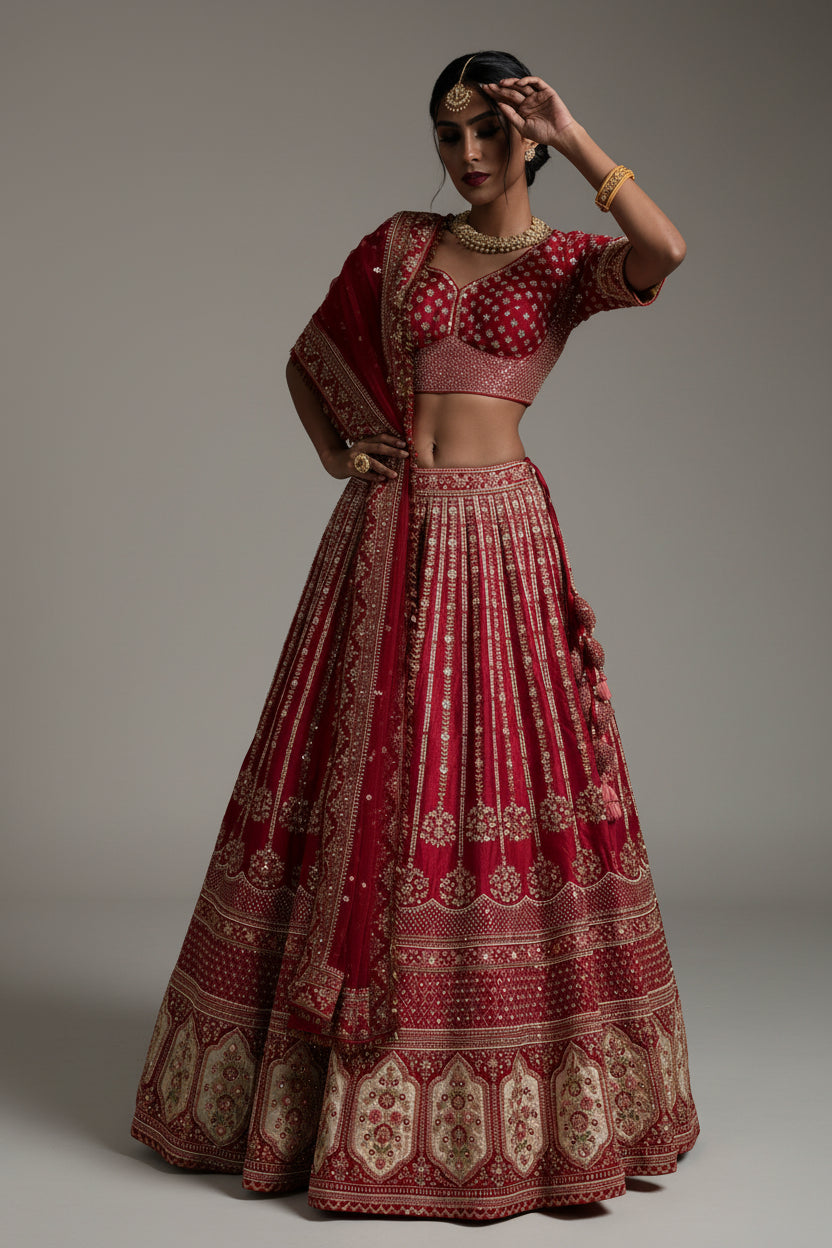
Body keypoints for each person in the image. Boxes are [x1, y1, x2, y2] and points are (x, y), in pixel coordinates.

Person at [131, 50, 701, 1220]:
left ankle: (493, 1085)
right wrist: (335, 453)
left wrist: (580, 137)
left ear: (528, 139)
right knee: (348, 775)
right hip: (383, 528)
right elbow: (306, 360)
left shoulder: (562, 263)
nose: (470, 154)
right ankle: (304, 1091)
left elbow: (665, 252)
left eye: (491, 130)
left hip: (497, 539)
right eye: (451, 134)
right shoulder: (398, 245)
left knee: (491, 777)